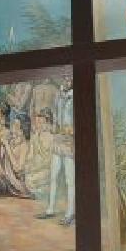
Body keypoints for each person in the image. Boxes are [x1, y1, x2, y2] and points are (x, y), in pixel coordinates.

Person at [37, 76, 75, 226]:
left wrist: (71, 130)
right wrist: (54, 127)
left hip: (70, 141)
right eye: (64, 78)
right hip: (58, 139)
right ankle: (50, 209)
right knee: (53, 176)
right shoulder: (59, 95)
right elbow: (57, 118)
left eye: (69, 79)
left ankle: (70, 212)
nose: (66, 81)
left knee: (69, 179)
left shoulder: (75, 96)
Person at [0, 115, 34, 199]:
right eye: (13, 124)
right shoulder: (11, 140)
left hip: (17, 181)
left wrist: (7, 146)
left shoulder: (24, 145)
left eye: (16, 125)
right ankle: (2, 182)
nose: (13, 127)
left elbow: (18, 168)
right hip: (6, 176)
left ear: (23, 128)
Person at [25, 109, 55, 200]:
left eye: (42, 122)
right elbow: (30, 155)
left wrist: (37, 168)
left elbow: (49, 160)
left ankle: (43, 193)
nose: (39, 125)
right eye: (37, 122)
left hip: (46, 168)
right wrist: (28, 165)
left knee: (33, 180)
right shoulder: (35, 137)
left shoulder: (51, 138)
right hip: (34, 168)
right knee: (28, 178)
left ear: (47, 123)